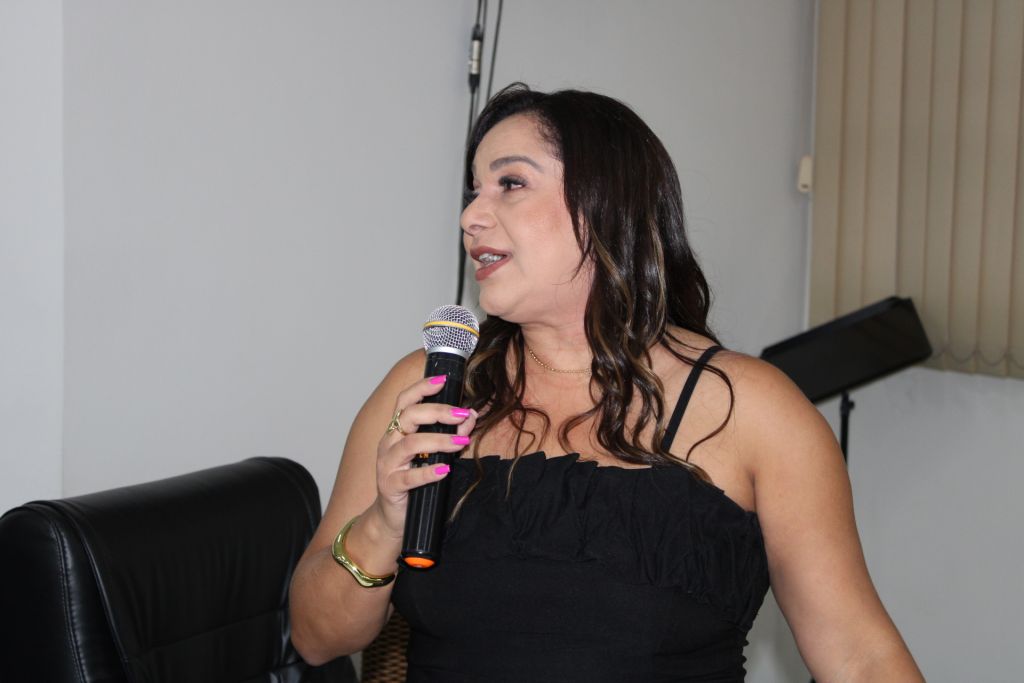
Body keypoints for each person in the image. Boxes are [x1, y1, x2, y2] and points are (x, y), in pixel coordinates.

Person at [289, 83, 923, 681]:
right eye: (473, 191)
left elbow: (859, 658)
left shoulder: (753, 411)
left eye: (510, 183)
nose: (471, 216)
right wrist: (383, 523)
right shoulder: (430, 387)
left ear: (605, 204)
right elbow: (316, 638)